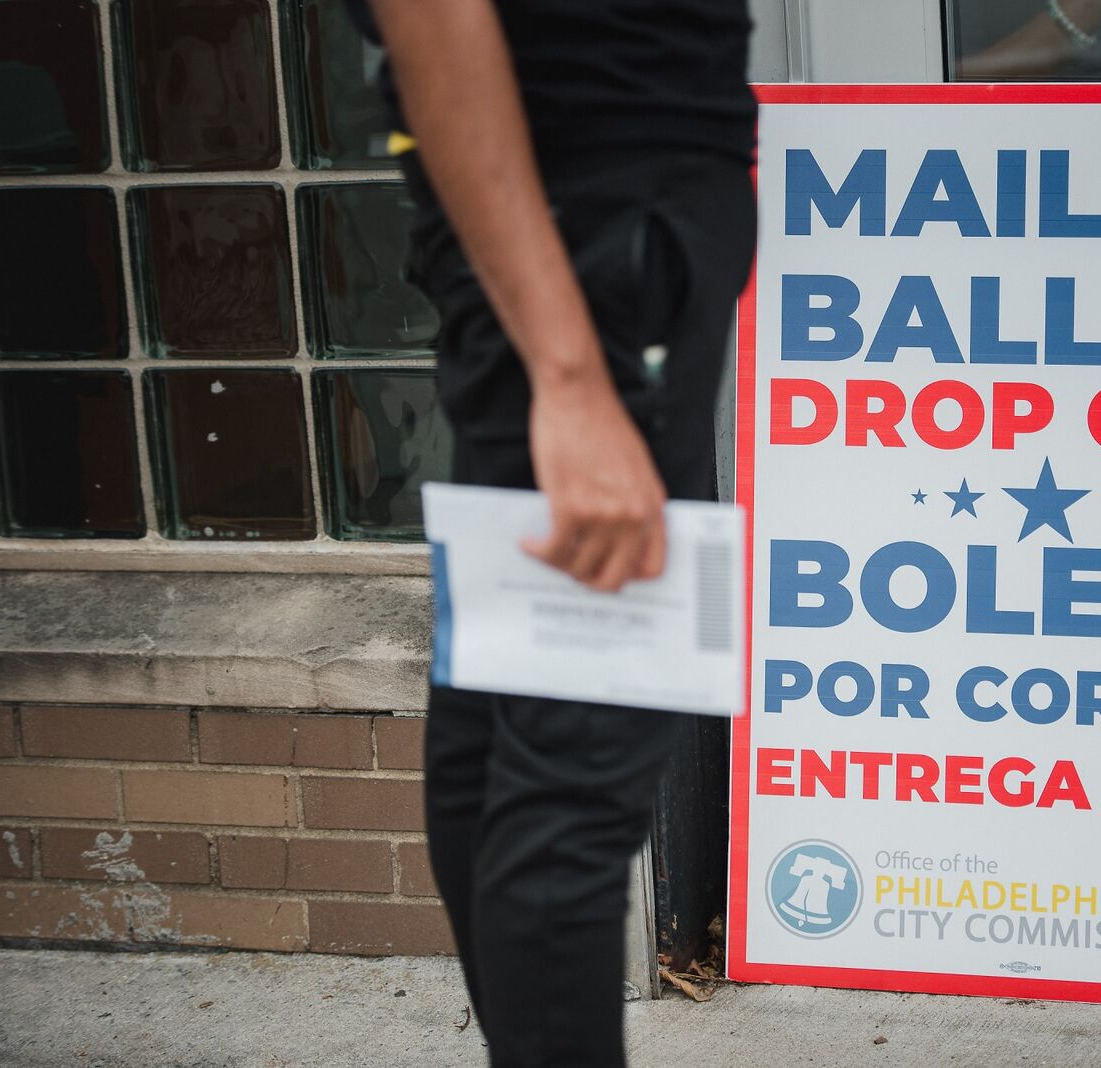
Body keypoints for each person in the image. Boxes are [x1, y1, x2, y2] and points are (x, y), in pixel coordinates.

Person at [348, 2, 757, 1065]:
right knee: (573, 778)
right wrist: (571, 380)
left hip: (572, 227)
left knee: (502, 744)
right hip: (602, 243)